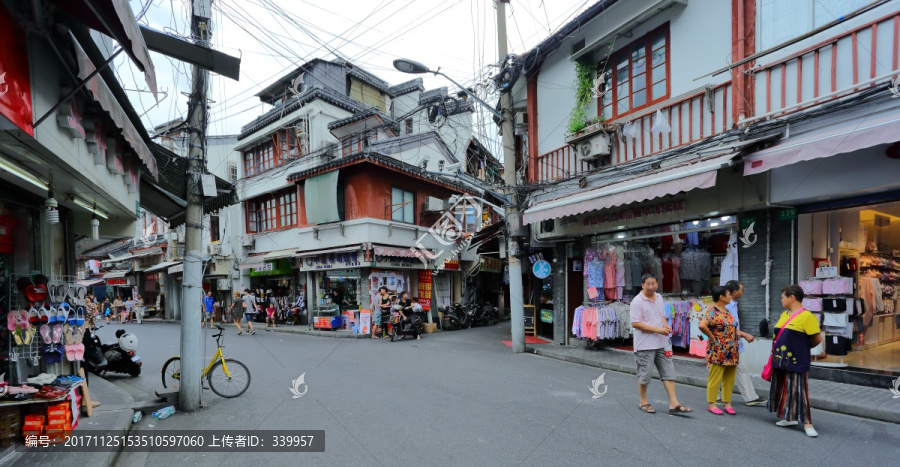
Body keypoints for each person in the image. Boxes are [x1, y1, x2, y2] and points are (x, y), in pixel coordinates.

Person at [630, 273, 692, 414]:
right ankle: (643, 401)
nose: (651, 287)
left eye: (653, 284)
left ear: (657, 284)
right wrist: (658, 329)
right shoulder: (637, 301)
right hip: (645, 345)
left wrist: (665, 325)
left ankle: (674, 403)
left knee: (669, 372)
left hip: (662, 343)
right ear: (642, 285)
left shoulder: (659, 298)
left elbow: (662, 316)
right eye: (648, 284)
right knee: (645, 374)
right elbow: (635, 323)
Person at [767, 285, 823, 437]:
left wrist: (802, 349)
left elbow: (817, 339)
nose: (781, 300)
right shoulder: (784, 315)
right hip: (780, 359)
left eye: (782, 297)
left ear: (792, 297)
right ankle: (788, 416)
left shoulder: (807, 316)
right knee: (784, 388)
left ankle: (807, 423)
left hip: (797, 360)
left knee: (799, 390)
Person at [699, 286, 752, 415]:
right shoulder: (712, 311)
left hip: (731, 350)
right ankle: (712, 404)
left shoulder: (727, 311)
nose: (730, 296)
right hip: (718, 349)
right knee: (715, 377)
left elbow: (730, 329)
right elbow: (702, 325)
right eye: (728, 294)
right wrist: (712, 337)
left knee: (729, 378)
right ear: (721, 297)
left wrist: (744, 334)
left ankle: (727, 403)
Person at [718, 281, 766, 406]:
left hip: (733, 343)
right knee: (733, 369)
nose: (743, 291)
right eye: (742, 289)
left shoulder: (733, 305)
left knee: (733, 369)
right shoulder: (726, 306)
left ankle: (721, 396)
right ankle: (749, 397)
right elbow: (726, 327)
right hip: (727, 344)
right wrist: (744, 334)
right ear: (735, 292)